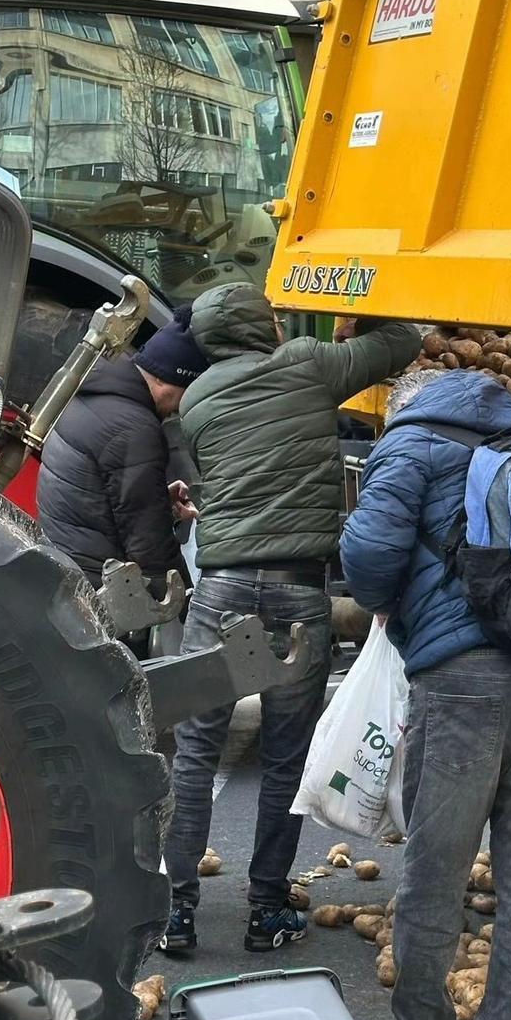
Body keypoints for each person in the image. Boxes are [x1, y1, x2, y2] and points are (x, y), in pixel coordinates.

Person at [339, 368, 511, 1020]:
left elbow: (368, 559)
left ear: (404, 404)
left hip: (461, 680)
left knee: (436, 869)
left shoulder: (408, 444)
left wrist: (396, 605)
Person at [160, 284, 421, 955]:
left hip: (222, 592)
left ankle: (176, 912)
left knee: (195, 752)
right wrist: (359, 317)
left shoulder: (195, 399)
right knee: (283, 758)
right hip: (297, 592)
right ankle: (266, 909)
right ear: (262, 326)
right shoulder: (308, 363)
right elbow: (403, 342)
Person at [36, 307, 206, 594]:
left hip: (64, 566)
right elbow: (150, 548)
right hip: (96, 588)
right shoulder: (133, 428)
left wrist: (156, 500)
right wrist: (186, 603)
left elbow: (97, 497)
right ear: (163, 378)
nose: (180, 407)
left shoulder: (90, 394)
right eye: (185, 392)